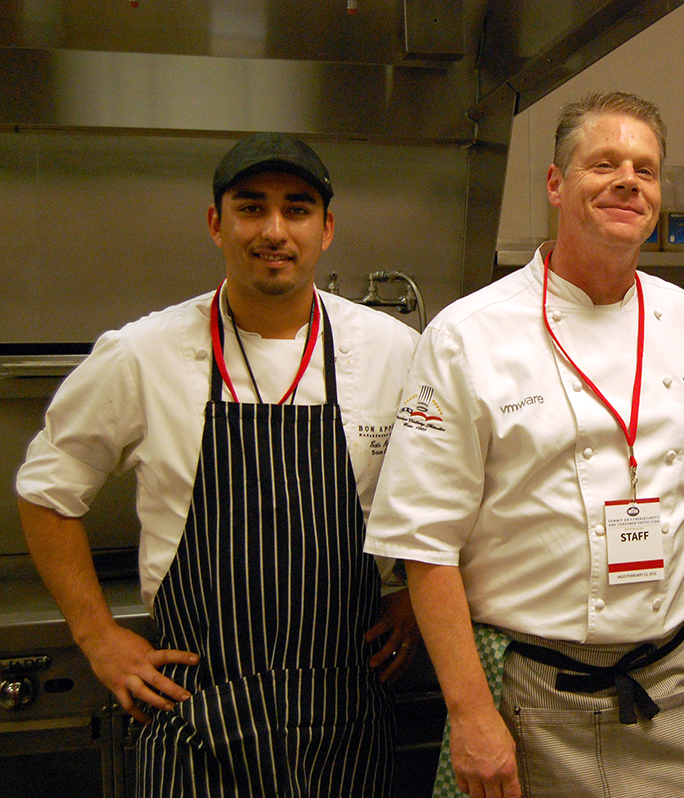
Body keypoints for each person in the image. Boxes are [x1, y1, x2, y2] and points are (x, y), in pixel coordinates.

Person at [16, 132, 421, 796]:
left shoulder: (391, 350)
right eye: (250, 207)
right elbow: (44, 492)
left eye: (296, 209)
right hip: (194, 721)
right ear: (216, 223)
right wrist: (96, 635)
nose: (274, 230)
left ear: (326, 229)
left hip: (346, 719)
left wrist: (408, 592)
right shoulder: (142, 353)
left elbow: (434, 490)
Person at [364, 91, 684, 798]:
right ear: (556, 184)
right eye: (604, 163)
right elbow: (424, 542)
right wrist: (472, 714)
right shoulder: (469, 334)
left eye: (645, 169)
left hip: (676, 683)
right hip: (534, 697)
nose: (629, 180)